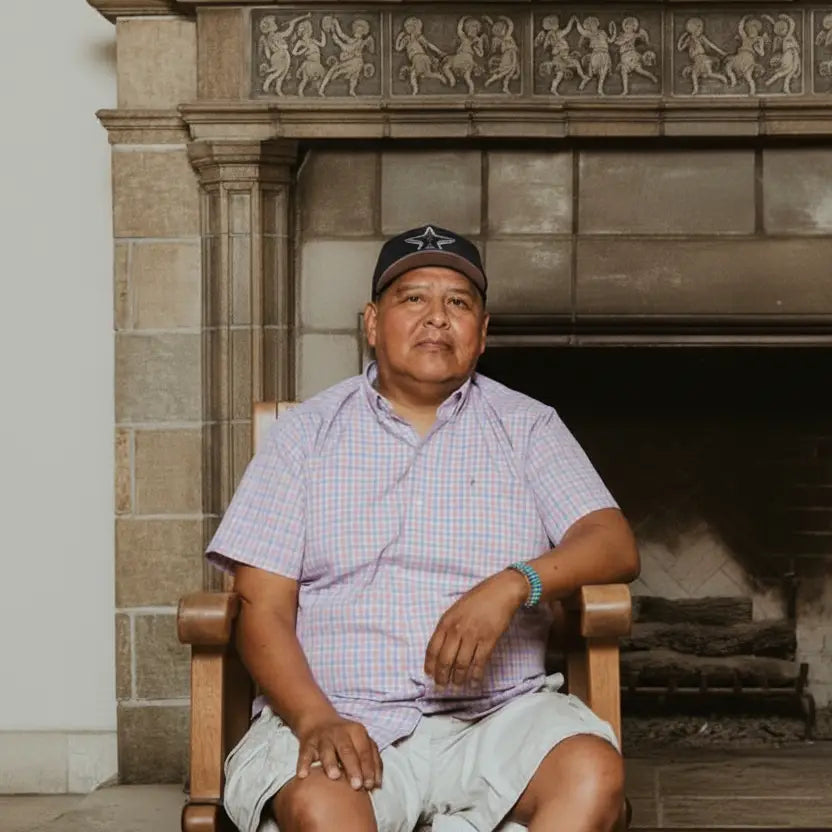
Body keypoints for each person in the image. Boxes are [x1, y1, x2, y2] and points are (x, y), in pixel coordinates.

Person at [207, 224, 640, 832]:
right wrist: (314, 719)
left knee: (593, 775)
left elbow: (613, 542)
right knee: (319, 806)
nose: (437, 317)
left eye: (458, 303)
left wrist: (513, 584)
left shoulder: (529, 427)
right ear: (372, 323)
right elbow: (263, 608)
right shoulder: (304, 435)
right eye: (413, 298)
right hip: (344, 716)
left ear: (482, 333)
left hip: (499, 716)